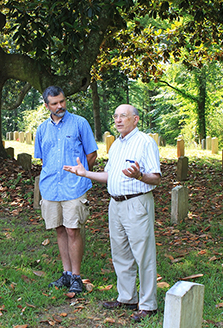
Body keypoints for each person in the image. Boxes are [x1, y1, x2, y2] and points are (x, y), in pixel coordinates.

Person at [63, 104, 161, 322]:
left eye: (123, 116)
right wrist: (85, 173)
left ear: (135, 119)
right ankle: (127, 298)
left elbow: (155, 177)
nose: (118, 120)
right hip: (115, 204)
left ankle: (148, 304)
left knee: (143, 254)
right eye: (115, 116)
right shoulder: (116, 145)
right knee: (121, 254)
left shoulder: (145, 142)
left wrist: (140, 176)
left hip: (136, 204)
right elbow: (109, 176)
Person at [34, 86, 98, 294]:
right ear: (46, 106)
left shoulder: (80, 123)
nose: (59, 106)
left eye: (62, 101)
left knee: (73, 229)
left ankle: (77, 277)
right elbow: (43, 158)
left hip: (74, 187)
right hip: (51, 188)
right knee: (60, 229)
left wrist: (82, 173)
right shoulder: (42, 129)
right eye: (54, 103)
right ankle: (66, 273)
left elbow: (91, 154)